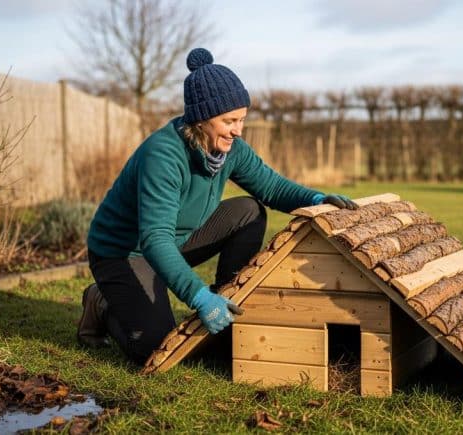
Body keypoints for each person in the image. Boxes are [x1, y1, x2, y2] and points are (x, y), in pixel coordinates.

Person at [77, 48, 358, 364]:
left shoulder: (229, 149)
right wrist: (198, 297)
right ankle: (100, 301)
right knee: (157, 348)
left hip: (174, 241)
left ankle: (228, 301)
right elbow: (154, 239)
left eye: (241, 119)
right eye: (229, 121)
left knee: (248, 211)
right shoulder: (164, 156)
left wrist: (317, 199)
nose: (238, 130)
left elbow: (273, 187)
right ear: (201, 119)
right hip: (125, 251)